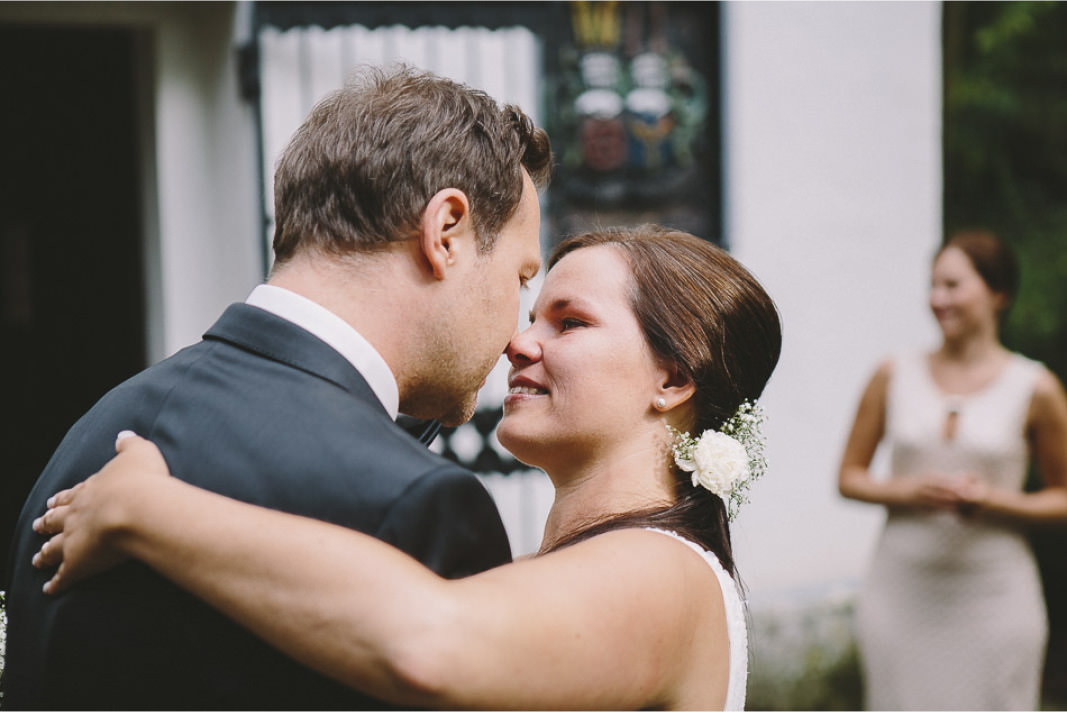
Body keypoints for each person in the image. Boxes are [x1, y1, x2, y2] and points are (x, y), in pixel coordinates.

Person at [33, 226, 782, 711]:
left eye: (570, 322)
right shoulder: (604, 563)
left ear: (672, 381)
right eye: (531, 313)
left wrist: (149, 510)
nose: (519, 343)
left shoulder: (660, 572)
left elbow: (430, 641)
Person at [2, 65, 552, 709]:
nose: (518, 330)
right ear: (446, 232)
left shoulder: (98, 429)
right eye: (520, 279)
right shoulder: (418, 503)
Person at [838, 229, 1067, 710]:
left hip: (995, 596)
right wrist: (909, 492)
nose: (937, 299)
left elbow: (1062, 495)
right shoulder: (892, 374)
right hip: (901, 591)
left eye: (953, 285)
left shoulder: (1036, 388)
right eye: (933, 285)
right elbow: (849, 477)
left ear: (998, 293)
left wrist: (994, 501)